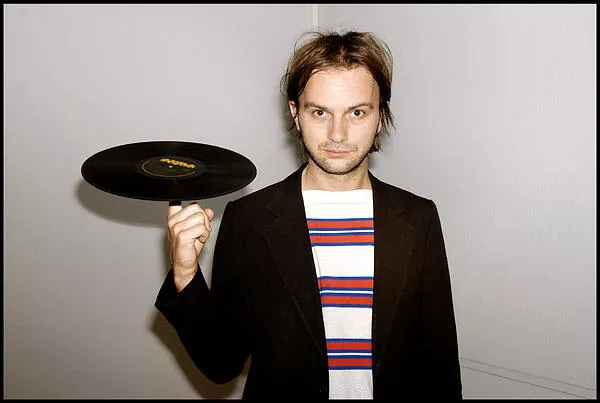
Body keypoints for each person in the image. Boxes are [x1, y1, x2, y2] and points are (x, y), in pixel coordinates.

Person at [155, 30, 462, 400]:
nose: (337, 134)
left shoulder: (417, 219)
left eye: (357, 112)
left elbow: (441, 371)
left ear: (381, 116)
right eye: (320, 112)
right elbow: (221, 363)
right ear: (295, 114)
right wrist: (185, 273)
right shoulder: (249, 220)